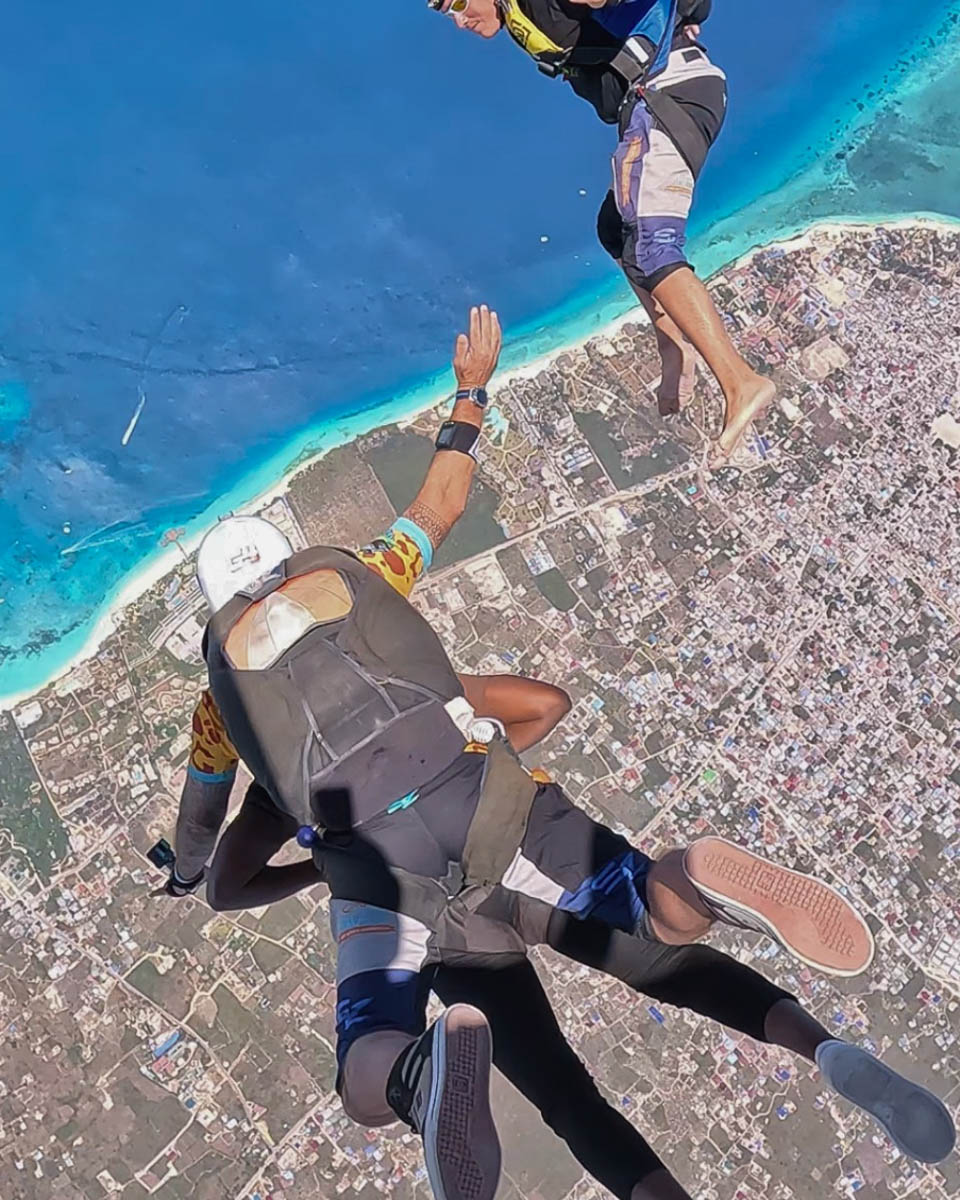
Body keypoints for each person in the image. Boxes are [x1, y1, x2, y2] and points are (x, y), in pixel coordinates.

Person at [164, 305, 954, 1200]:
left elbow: (206, 846)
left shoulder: (220, 713)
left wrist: (207, 869)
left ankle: (413, 1080)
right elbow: (442, 502)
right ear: (287, 560)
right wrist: (470, 391)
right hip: (490, 794)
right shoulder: (367, 575)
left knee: (491, 1085)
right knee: (661, 941)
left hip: (396, 888)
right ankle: (718, 911)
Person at [431, 0, 775, 460]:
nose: (456, 18)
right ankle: (673, 344)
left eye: (453, 2)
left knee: (654, 249)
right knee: (615, 231)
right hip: (660, 102)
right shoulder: (519, 14)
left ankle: (741, 382)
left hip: (668, 95)